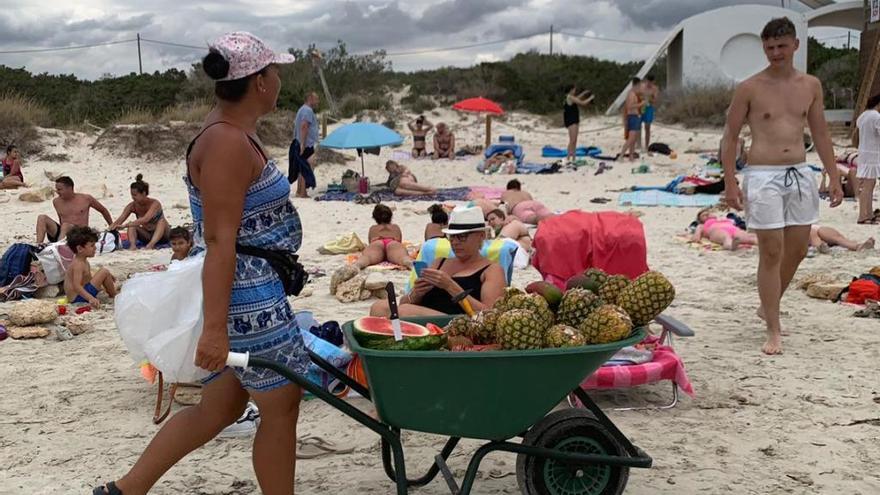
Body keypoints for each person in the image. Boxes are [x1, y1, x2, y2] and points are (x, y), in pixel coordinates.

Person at [92, 32, 306, 495]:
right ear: (258, 83)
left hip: (249, 286)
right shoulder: (227, 142)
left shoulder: (231, 130)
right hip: (248, 296)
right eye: (274, 71)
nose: (280, 78)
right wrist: (214, 329)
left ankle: (125, 489)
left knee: (220, 405)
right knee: (282, 403)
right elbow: (218, 240)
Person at [721, 17, 843, 355]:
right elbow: (730, 135)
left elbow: (820, 132)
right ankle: (773, 328)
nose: (775, 52)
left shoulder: (811, 85)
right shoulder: (750, 87)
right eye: (770, 47)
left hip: (800, 172)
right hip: (763, 175)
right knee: (771, 250)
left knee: (799, 248)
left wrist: (833, 176)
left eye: (781, 46)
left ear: (795, 45)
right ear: (764, 48)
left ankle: (768, 302)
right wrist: (730, 182)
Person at [370, 205, 505, 317]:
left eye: (462, 237)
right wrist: (416, 293)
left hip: (456, 322)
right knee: (379, 307)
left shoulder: (492, 270)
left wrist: (451, 286)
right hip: (422, 312)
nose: (455, 242)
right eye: (451, 237)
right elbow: (406, 302)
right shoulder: (440, 261)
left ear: (481, 236)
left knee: (404, 312)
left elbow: (490, 315)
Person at [36, 176, 113, 244]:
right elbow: (61, 219)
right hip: (63, 234)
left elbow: (103, 210)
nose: (57, 192)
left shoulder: (86, 199)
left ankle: (58, 247)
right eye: (56, 189)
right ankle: (38, 245)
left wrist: (112, 226)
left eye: (59, 189)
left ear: (69, 188)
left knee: (66, 225)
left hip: (80, 234)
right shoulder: (56, 202)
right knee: (42, 217)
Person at [109, 174, 170, 250]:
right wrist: (111, 228)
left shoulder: (155, 203)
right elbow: (120, 219)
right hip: (147, 235)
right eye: (131, 195)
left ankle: (151, 245)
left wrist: (125, 225)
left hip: (163, 235)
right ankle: (133, 246)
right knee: (132, 225)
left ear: (144, 193)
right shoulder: (132, 206)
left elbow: (146, 219)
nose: (132, 197)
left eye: (135, 195)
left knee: (161, 221)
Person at [63, 226, 118, 308]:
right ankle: (114, 295)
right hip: (77, 298)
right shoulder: (78, 264)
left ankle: (111, 291)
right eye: (92, 246)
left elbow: (87, 279)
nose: (95, 248)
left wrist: (107, 278)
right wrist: (91, 298)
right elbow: (76, 286)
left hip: (80, 294)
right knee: (104, 271)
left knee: (103, 274)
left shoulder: (83, 260)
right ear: (80, 249)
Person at [354, 204, 413, 270]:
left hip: (377, 242)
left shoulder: (373, 228)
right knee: (402, 258)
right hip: (392, 242)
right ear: (390, 216)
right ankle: (409, 264)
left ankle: (357, 265)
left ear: (375, 218)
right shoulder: (395, 227)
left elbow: (370, 242)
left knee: (367, 257)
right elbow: (399, 241)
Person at [855, 94, 880, 224]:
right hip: (872, 154)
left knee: (869, 185)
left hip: (864, 153)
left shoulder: (863, 115)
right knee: (868, 186)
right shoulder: (876, 116)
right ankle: (863, 215)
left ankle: (869, 214)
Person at [289, 91, 320, 198]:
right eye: (316, 99)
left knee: (303, 165)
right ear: (310, 98)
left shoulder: (302, 109)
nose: (318, 101)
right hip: (306, 143)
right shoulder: (307, 110)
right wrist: (303, 143)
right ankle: (303, 192)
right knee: (306, 166)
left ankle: (299, 191)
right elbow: (304, 126)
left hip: (302, 142)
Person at [692, 208, 757, 251]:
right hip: (716, 230)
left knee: (749, 236)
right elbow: (696, 238)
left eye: (709, 213)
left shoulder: (724, 219)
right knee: (725, 237)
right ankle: (731, 246)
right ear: (700, 220)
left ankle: (761, 244)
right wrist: (698, 235)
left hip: (733, 229)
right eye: (704, 215)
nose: (708, 215)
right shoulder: (702, 225)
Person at [562, 85, 594, 163]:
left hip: (574, 120)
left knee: (575, 140)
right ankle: (568, 157)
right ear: (571, 90)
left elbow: (578, 98)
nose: (575, 91)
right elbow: (582, 103)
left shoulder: (570, 97)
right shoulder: (570, 97)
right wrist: (590, 98)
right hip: (571, 121)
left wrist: (584, 93)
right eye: (574, 90)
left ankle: (573, 157)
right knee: (572, 140)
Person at [619, 77, 643, 162]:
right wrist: (640, 104)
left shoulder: (634, 93)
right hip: (632, 117)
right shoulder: (631, 94)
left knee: (633, 139)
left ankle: (631, 156)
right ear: (636, 85)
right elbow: (629, 106)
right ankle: (621, 155)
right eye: (639, 85)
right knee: (631, 139)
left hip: (635, 117)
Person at [809, 225, 874, 255]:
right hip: (806, 232)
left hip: (814, 229)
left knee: (837, 239)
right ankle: (819, 245)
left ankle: (857, 246)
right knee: (812, 233)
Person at [640, 75, 660, 153]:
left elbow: (655, 100)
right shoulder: (641, 86)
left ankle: (646, 146)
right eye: (648, 82)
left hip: (649, 108)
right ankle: (638, 145)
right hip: (640, 106)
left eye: (651, 82)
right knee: (637, 126)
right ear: (646, 80)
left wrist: (650, 97)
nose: (649, 84)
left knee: (647, 127)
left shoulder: (655, 88)